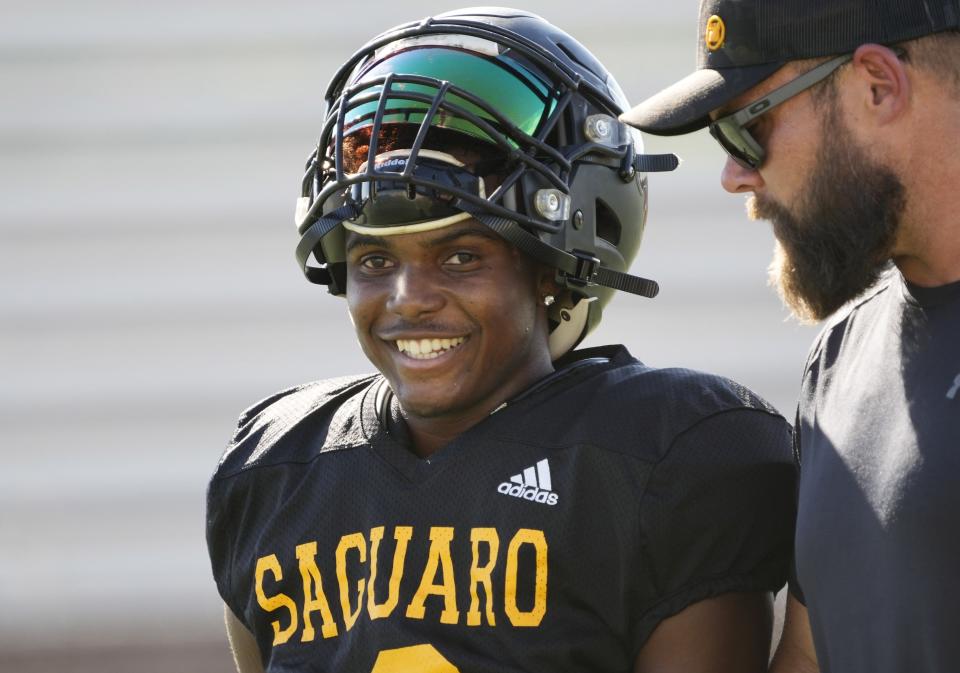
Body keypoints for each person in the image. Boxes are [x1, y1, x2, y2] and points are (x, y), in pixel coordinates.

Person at [206, 8, 796, 672]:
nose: (409, 298)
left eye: (460, 256)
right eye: (374, 260)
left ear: (552, 265)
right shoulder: (274, 469)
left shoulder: (665, 457)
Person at [621, 1, 960, 672]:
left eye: (746, 129)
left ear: (877, 85)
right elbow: (806, 654)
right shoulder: (839, 361)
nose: (734, 175)